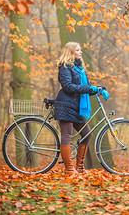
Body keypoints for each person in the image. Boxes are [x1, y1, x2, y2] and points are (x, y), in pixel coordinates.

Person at [54, 42, 100, 175]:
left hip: (77, 107)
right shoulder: (65, 67)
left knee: (87, 134)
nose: (80, 52)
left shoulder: (80, 69)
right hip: (66, 105)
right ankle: (69, 169)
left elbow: (85, 88)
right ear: (71, 52)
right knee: (66, 135)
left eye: (80, 50)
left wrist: (97, 89)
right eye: (78, 50)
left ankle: (79, 167)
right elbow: (67, 86)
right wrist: (89, 88)